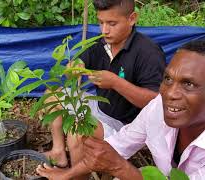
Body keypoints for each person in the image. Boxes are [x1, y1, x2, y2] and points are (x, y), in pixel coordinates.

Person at [36, 40, 205, 180]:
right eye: (168, 78)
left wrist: (122, 169)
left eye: (188, 84)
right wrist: (68, 175)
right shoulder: (158, 107)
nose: (170, 93)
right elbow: (119, 145)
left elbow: (118, 162)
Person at [43, 0, 165, 174]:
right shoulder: (102, 44)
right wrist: (74, 67)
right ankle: (58, 151)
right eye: (101, 22)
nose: (104, 30)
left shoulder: (148, 52)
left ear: (132, 19)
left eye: (112, 23)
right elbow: (80, 60)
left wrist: (115, 82)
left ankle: (76, 178)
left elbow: (156, 102)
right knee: (51, 94)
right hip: (100, 108)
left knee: (76, 132)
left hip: (126, 126)